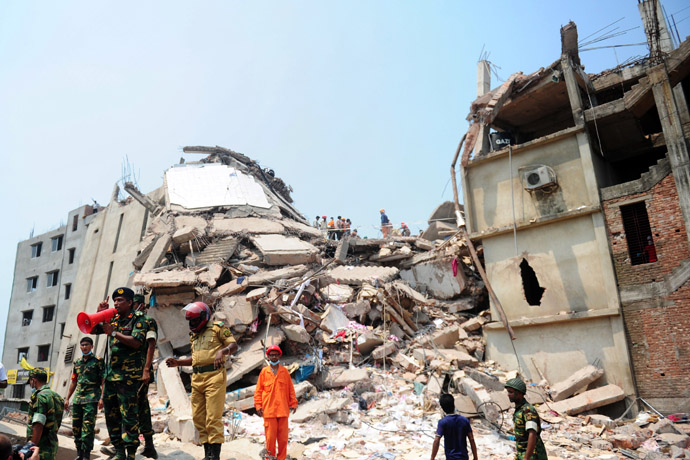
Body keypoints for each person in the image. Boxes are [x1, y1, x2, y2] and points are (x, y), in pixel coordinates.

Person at [166, 302, 237, 460]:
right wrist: (178, 363)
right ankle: (207, 454)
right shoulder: (194, 335)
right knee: (199, 418)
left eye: (195, 320)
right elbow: (196, 358)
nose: (192, 324)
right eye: (190, 321)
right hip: (197, 378)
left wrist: (222, 351)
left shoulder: (217, 328)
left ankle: (215, 456)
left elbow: (233, 345)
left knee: (213, 418)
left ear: (203, 317)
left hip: (214, 376)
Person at [92, 287, 147, 460]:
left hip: (128, 377)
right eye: (115, 300)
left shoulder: (139, 319)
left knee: (129, 415)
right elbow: (93, 330)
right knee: (111, 414)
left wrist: (114, 332)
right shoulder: (113, 318)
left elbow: (137, 342)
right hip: (111, 377)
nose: (116, 303)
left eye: (120, 300)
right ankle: (119, 451)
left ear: (130, 302)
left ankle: (130, 453)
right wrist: (99, 314)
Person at [254, 346, 297, 460]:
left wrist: (293, 403)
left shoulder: (284, 372)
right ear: (268, 357)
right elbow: (258, 390)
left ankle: (281, 458)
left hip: (283, 410)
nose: (274, 357)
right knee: (270, 438)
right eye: (271, 355)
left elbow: (290, 389)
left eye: (276, 355)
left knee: (283, 439)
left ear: (279, 356)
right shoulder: (264, 372)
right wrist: (258, 405)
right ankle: (270, 458)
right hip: (269, 411)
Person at [64, 337, 104, 460]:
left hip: (91, 399)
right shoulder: (77, 362)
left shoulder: (98, 361)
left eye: (86, 345)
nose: (84, 347)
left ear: (91, 346)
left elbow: (103, 381)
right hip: (77, 400)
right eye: (82, 345)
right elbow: (73, 381)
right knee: (76, 427)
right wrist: (67, 398)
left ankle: (86, 455)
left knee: (87, 428)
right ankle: (79, 454)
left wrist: (102, 398)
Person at [133, 294, 158, 459]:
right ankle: (148, 446)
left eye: (134, 304)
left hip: (140, 372)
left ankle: (135, 444)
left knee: (136, 407)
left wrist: (146, 369)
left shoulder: (148, 321)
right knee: (139, 407)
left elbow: (151, 345)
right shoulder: (127, 322)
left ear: (140, 305)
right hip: (127, 373)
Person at [505, 378, 548, 460]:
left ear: (520, 393)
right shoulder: (519, 409)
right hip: (522, 452)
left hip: (533, 455)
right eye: (508, 392)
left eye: (511, 392)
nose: (508, 394)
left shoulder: (528, 411)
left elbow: (532, 434)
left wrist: (526, 458)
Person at [27, 368, 64, 460]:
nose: (30, 384)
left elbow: (39, 424)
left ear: (34, 380)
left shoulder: (41, 397)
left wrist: (31, 448)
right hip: (52, 444)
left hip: (40, 447)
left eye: (30, 381)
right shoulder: (57, 397)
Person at [430, 394, 477, 460]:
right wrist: (475, 457)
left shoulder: (443, 422)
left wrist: (432, 458)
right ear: (454, 405)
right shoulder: (464, 420)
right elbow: (471, 439)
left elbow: (437, 440)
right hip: (464, 457)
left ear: (442, 408)